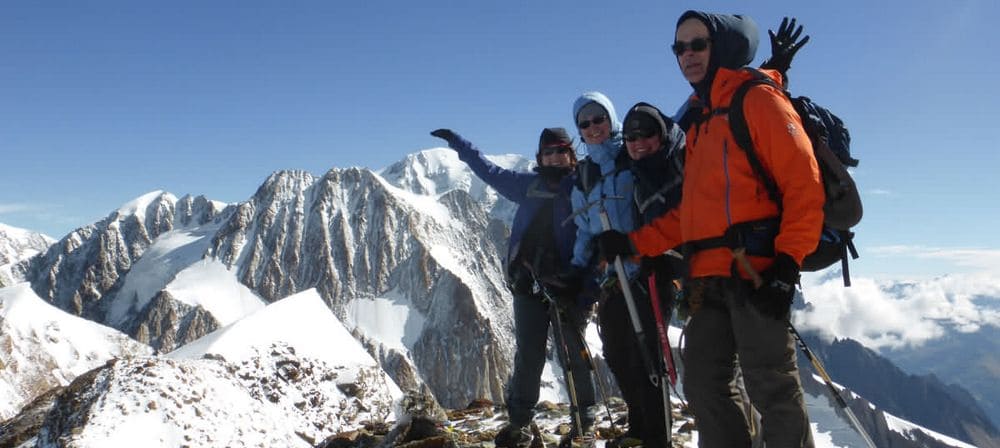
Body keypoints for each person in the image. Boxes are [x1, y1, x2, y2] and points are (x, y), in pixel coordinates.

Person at [595, 11, 822, 448]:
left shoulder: (758, 100)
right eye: (679, 48)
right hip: (709, 279)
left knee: (771, 387)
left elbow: (804, 184)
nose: (687, 55)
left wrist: (787, 265)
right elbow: (690, 215)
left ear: (723, 47)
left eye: (697, 44)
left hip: (757, 271)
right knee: (702, 383)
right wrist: (633, 243)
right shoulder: (700, 120)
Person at [430, 127, 596, 448]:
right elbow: (488, 171)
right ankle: (520, 422)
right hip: (529, 287)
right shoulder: (527, 185)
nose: (554, 157)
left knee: (574, 354)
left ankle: (583, 423)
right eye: (548, 152)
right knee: (529, 356)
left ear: (571, 155)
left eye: (560, 151)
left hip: (569, 289)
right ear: (540, 157)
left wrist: (585, 287)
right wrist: (459, 143)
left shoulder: (582, 187)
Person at [567, 92, 679, 448]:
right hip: (613, 277)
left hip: (648, 271)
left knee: (647, 356)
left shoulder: (632, 154)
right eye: (585, 123)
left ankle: (656, 437)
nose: (593, 128)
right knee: (617, 352)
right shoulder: (584, 176)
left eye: (599, 119)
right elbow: (585, 228)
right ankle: (638, 429)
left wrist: (641, 246)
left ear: (611, 119)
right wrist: (576, 267)